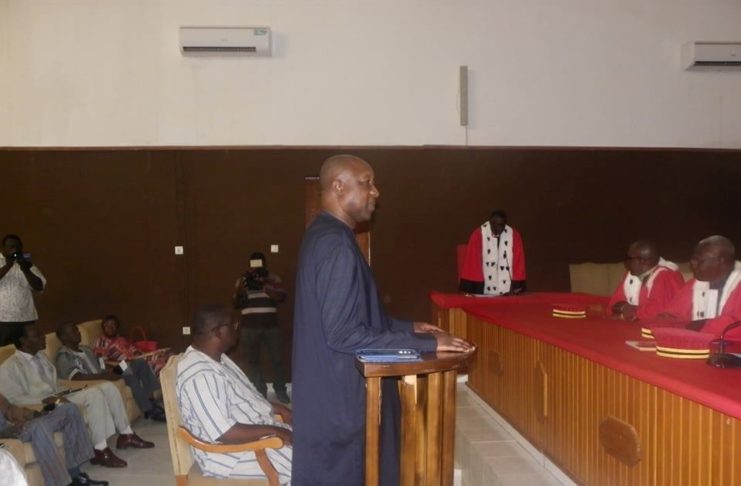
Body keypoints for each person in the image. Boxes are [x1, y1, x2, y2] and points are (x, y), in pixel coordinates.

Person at [291, 154, 474, 486]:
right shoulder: (335, 245)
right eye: (367, 183)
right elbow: (344, 334)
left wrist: (406, 328)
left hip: (332, 398)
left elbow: (353, 314)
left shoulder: (325, 234)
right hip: (344, 407)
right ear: (338, 186)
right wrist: (425, 343)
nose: (376, 192)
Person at [0, 323, 154, 468]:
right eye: (37, 335)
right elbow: (14, 400)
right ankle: (100, 449)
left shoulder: (42, 356)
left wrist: (74, 388)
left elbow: (56, 382)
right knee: (95, 395)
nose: (43, 337)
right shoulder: (10, 367)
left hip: (60, 393)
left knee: (108, 387)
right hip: (44, 403)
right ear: (23, 341)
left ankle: (126, 434)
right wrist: (46, 399)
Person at [176, 304, 292, 484]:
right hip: (229, 455)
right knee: (307, 465)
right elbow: (225, 433)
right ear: (218, 332)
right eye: (232, 325)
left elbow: (246, 399)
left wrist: (280, 409)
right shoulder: (201, 375)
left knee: (319, 443)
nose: (237, 328)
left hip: (254, 434)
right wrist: (276, 430)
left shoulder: (218, 358)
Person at [55, 321, 165, 422]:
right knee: (130, 378)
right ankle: (150, 410)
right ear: (63, 337)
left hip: (107, 374)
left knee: (139, 362)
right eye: (73, 331)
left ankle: (151, 401)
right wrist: (106, 376)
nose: (78, 333)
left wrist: (116, 367)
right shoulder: (64, 356)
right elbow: (77, 377)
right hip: (98, 382)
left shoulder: (85, 349)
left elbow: (101, 364)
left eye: (77, 329)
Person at [0, 392, 108, 486]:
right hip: (10, 436)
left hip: (23, 425)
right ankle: (61, 483)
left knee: (70, 409)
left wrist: (35, 414)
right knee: (39, 426)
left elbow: (11, 409)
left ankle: (75, 476)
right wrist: (13, 428)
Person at [233, 251, 289, 403]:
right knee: (252, 361)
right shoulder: (243, 279)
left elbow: (282, 296)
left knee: (278, 360)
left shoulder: (273, 278)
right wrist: (242, 288)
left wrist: (265, 287)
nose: (256, 266)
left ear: (264, 263)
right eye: (253, 263)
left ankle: (280, 390)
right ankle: (260, 391)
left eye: (259, 262)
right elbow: (236, 303)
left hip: (271, 325)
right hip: (249, 327)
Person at [659, 235, 741, 336]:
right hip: (696, 342)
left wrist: (704, 325)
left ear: (721, 260)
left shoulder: (738, 285)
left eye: (699, 260)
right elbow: (673, 314)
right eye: (693, 259)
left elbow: (736, 325)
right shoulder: (694, 284)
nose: (692, 263)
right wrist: (666, 319)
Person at [607, 240, 685, 321]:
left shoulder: (665, 276)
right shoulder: (631, 275)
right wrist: (624, 308)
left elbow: (657, 312)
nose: (626, 262)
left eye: (629, 258)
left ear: (643, 261)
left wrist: (627, 313)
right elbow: (613, 305)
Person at [459, 210, 526, 296]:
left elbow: (518, 262)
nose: (501, 229)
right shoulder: (478, 235)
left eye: (503, 225)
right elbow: (473, 263)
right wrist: (476, 287)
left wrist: (516, 285)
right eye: (498, 225)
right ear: (491, 222)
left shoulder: (514, 236)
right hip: (484, 290)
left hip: (507, 291)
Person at [0, 234, 46, 346]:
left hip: (27, 319)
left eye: (17, 247)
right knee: (5, 352)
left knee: (29, 350)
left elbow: (39, 286)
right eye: (11, 247)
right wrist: (8, 265)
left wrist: (25, 269)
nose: (14, 250)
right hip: (3, 320)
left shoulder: (27, 265)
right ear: (3, 248)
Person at [93, 315, 171, 376]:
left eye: (113, 324)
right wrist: (111, 368)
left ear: (117, 327)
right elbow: (100, 361)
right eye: (107, 325)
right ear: (103, 328)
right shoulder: (101, 341)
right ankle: (166, 383)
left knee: (166, 355)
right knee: (153, 361)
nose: (110, 327)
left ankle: (166, 382)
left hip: (134, 360)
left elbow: (134, 350)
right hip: (120, 367)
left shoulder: (121, 339)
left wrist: (140, 354)